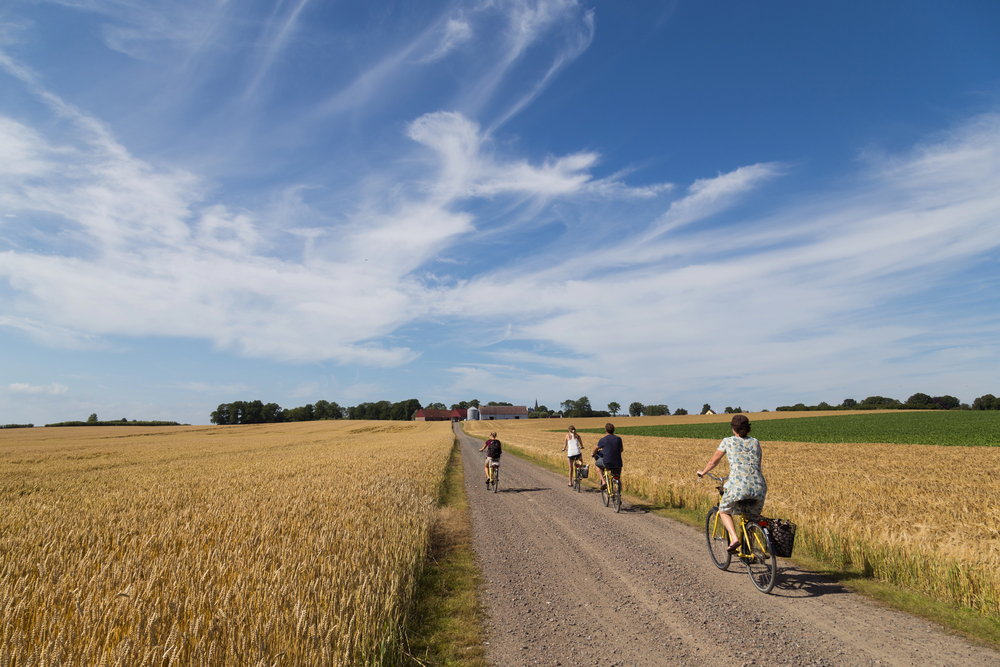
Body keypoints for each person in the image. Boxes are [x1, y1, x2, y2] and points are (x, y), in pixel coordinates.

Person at [697, 414, 767, 553]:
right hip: (759, 486)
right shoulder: (755, 442)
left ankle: (734, 538)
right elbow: (758, 463)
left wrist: (703, 472)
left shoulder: (728, 441)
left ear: (733, 429)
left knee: (723, 510)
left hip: (738, 486)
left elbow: (713, 461)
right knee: (751, 518)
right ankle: (749, 550)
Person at [592, 423, 623, 490]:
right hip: (618, 463)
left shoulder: (603, 440)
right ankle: (619, 495)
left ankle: (603, 482)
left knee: (597, 464)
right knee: (617, 477)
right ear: (613, 430)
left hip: (607, 462)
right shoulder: (618, 439)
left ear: (606, 430)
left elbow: (595, 449)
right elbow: (621, 450)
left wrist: (593, 454)